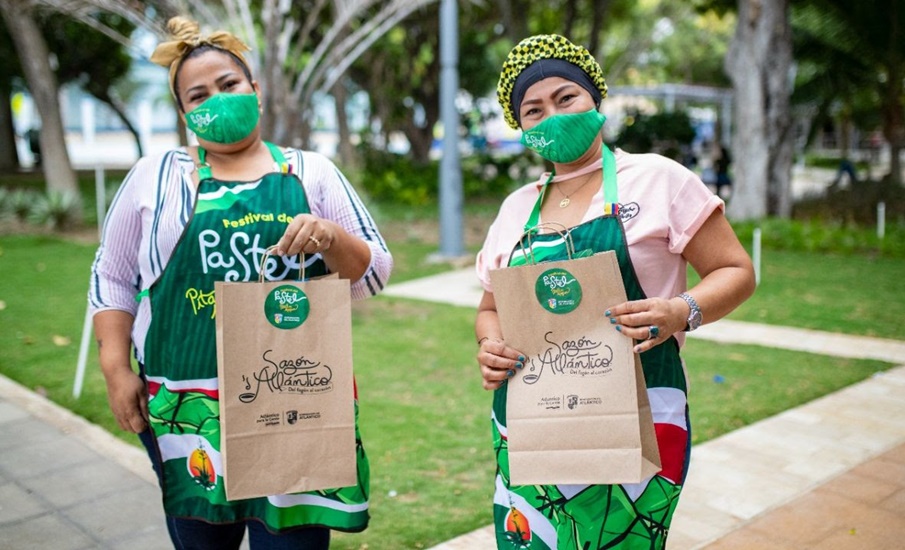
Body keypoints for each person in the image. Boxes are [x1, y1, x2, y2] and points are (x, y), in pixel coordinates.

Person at [88, 16, 392, 549]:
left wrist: (330, 238)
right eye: (198, 94)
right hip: (186, 406)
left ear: (254, 89)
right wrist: (115, 369)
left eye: (228, 86)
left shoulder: (310, 171)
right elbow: (112, 277)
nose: (217, 100)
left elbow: (374, 272)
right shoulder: (154, 177)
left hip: (294, 401)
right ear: (185, 112)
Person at [474, 34, 755, 549]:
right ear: (520, 126)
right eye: (533, 110)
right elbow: (491, 306)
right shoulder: (516, 208)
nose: (552, 116)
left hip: (641, 414)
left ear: (594, 98)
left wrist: (679, 311)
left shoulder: (657, 179)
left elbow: (737, 270)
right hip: (535, 419)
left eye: (566, 98)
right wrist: (490, 344)